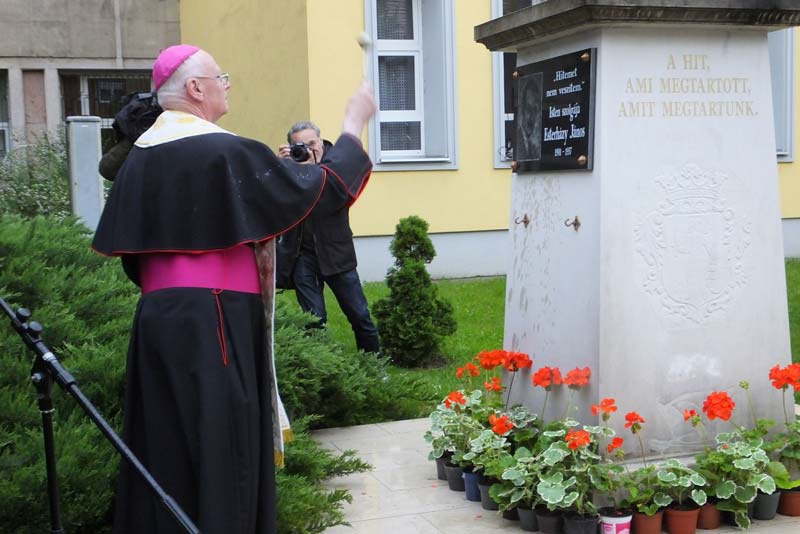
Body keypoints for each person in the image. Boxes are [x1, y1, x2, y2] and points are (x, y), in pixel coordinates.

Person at [91, 44, 375, 534]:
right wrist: (354, 125)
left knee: (167, 450)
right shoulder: (220, 148)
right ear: (196, 89)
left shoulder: (140, 157)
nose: (227, 84)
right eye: (219, 76)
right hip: (215, 321)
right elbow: (321, 189)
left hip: (160, 322)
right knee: (225, 450)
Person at [276, 121, 380, 354]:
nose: (309, 149)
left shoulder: (337, 168)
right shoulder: (290, 170)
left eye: (312, 143)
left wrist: (313, 168)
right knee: (313, 321)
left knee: (359, 315)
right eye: (300, 146)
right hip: (302, 256)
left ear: (321, 142)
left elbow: (340, 193)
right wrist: (282, 167)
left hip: (336, 254)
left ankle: (375, 366)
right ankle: (322, 368)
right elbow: (276, 203)